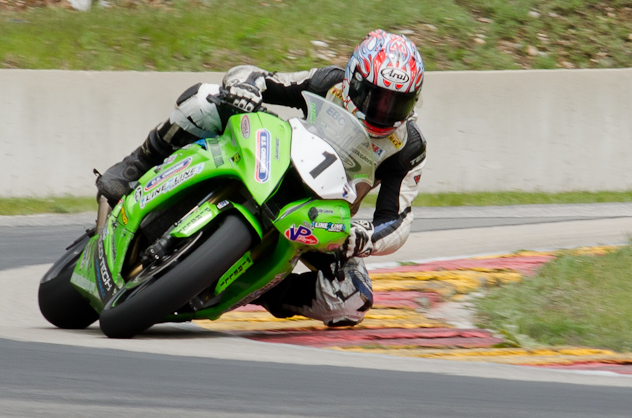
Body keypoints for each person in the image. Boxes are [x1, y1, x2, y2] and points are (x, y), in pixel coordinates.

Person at [95, 30, 427, 328]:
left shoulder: (408, 147)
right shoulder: (330, 82)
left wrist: (364, 237)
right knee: (207, 98)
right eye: (377, 98)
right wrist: (246, 86)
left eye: (398, 103)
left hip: (320, 215)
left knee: (351, 298)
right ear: (355, 81)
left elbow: (398, 220)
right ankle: (136, 165)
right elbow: (264, 78)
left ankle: (258, 288)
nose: (385, 112)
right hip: (278, 158)